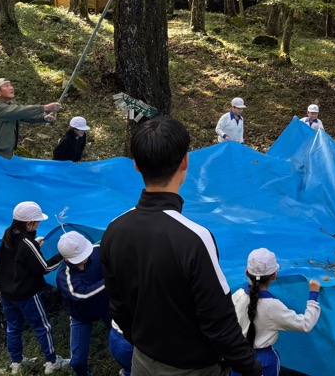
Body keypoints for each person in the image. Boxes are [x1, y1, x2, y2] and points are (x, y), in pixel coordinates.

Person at [101, 116, 262, 376]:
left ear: (136, 166)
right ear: (185, 161)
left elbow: (118, 306)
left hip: (141, 360)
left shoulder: (114, 230)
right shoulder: (195, 239)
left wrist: (141, 342)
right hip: (193, 368)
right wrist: (252, 368)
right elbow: (219, 321)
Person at [0, 201, 69, 375]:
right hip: (26, 294)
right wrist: (62, 255)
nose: (39, 224)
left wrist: (35, 244)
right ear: (29, 224)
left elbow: (18, 259)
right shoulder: (27, 243)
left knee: (13, 328)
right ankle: (52, 362)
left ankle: (16, 362)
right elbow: (45, 268)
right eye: (37, 221)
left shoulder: (9, 235)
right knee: (43, 327)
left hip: (6, 293)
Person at [231, 248, 321, 376]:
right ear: (274, 275)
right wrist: (313, 295)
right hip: (263, 361)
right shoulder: (272, 306)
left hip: (237, 356)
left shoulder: (237, 295)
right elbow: (305, 324)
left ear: (247, 272)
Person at [56, 231, 110, 376]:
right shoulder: (64, 275)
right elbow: (81, 294)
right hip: (81, 316)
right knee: (77, 362)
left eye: (85, 255)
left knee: (125, 340)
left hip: (107, 307)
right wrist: (109, 280)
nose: (84, 261)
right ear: (66, 259)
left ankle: (129, 367)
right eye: (78, 260)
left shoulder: (98, 251)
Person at [0, 78, 62, 159]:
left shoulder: (10, 105)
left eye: (11, 85)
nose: (11, 88)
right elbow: (20, 111)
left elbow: (24, 115)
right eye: (6, 86)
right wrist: (45, 108)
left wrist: (44, 118)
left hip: (5, 152)